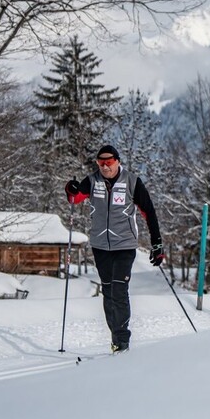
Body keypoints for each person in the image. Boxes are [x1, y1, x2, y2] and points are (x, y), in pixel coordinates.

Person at [64, 145, 164, 353]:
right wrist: (71, 189)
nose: (105, 167)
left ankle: (122, 341)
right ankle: (115, 337)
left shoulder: (132, 181)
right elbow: (75, 198)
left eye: (109, 162)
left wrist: (157, 244)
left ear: (117, 161)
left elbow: (149, 212)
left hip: (124, 245)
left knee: (119, 291)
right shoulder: (92, 181)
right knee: (108, 292)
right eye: (101, 163)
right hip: (101, 246)